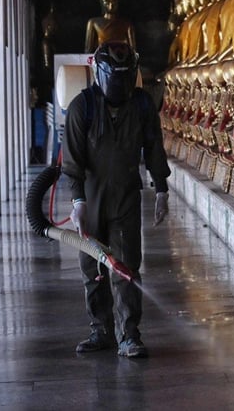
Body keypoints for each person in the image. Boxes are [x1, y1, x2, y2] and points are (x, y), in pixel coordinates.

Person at [61, 41, 171, 358]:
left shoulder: (141, 105)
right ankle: (101, 331)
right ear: (101, 73)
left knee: (125, 267)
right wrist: (77, 202)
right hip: (91, 199)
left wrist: (161, 187)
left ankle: (129, 335)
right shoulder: (83, 107)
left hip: (125, 196)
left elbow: (153, 146)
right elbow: (72, 161)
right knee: (93, 268)